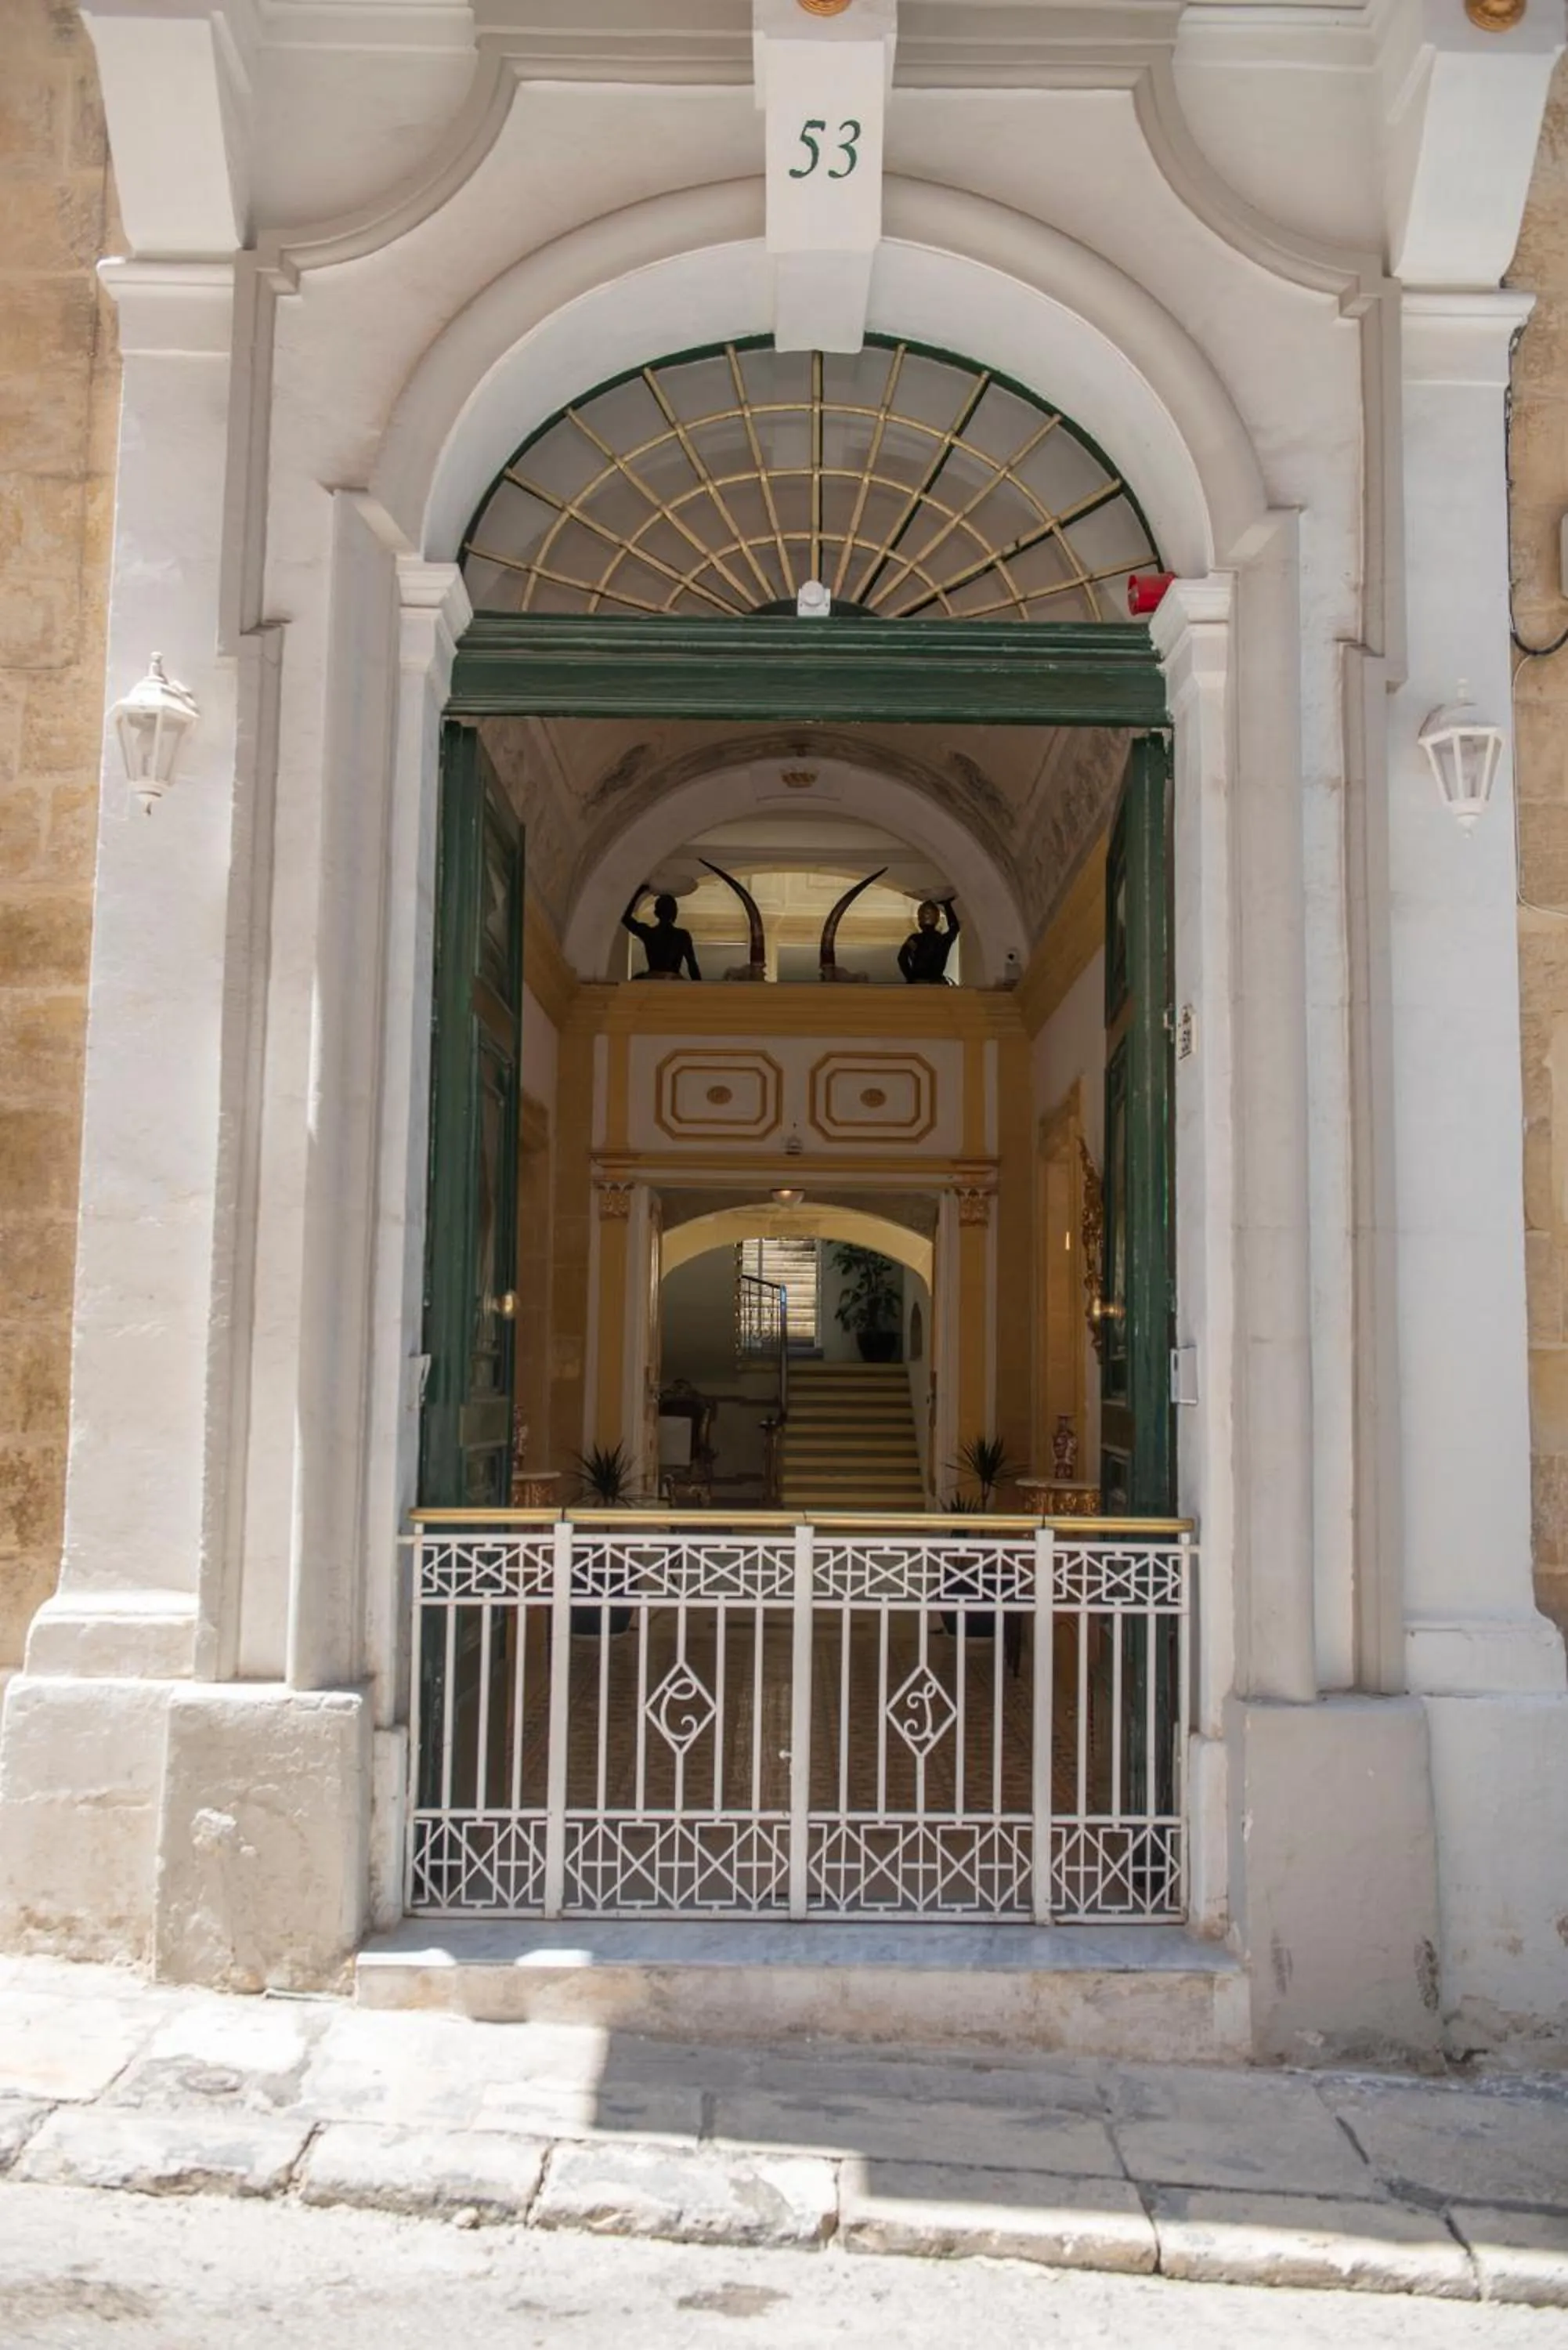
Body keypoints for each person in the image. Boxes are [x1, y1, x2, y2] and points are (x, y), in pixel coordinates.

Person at [622, 886, 702, 980]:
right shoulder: (682, 936)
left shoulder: (649, 933)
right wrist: (700, 989)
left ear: (656, 913)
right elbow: (692, 966)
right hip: (673, 981)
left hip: (652, 979)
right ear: (675, 913)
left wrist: (639, 892)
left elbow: (626, 919)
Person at [898, 895, 960, 985]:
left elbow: (902, 958)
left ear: (920, 920)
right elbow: (954, 928)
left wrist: (911, 977)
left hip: (917, 982)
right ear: (937, 919)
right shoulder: (942, 940)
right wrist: (947, 906)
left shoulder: (915, 939)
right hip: (936, 983)